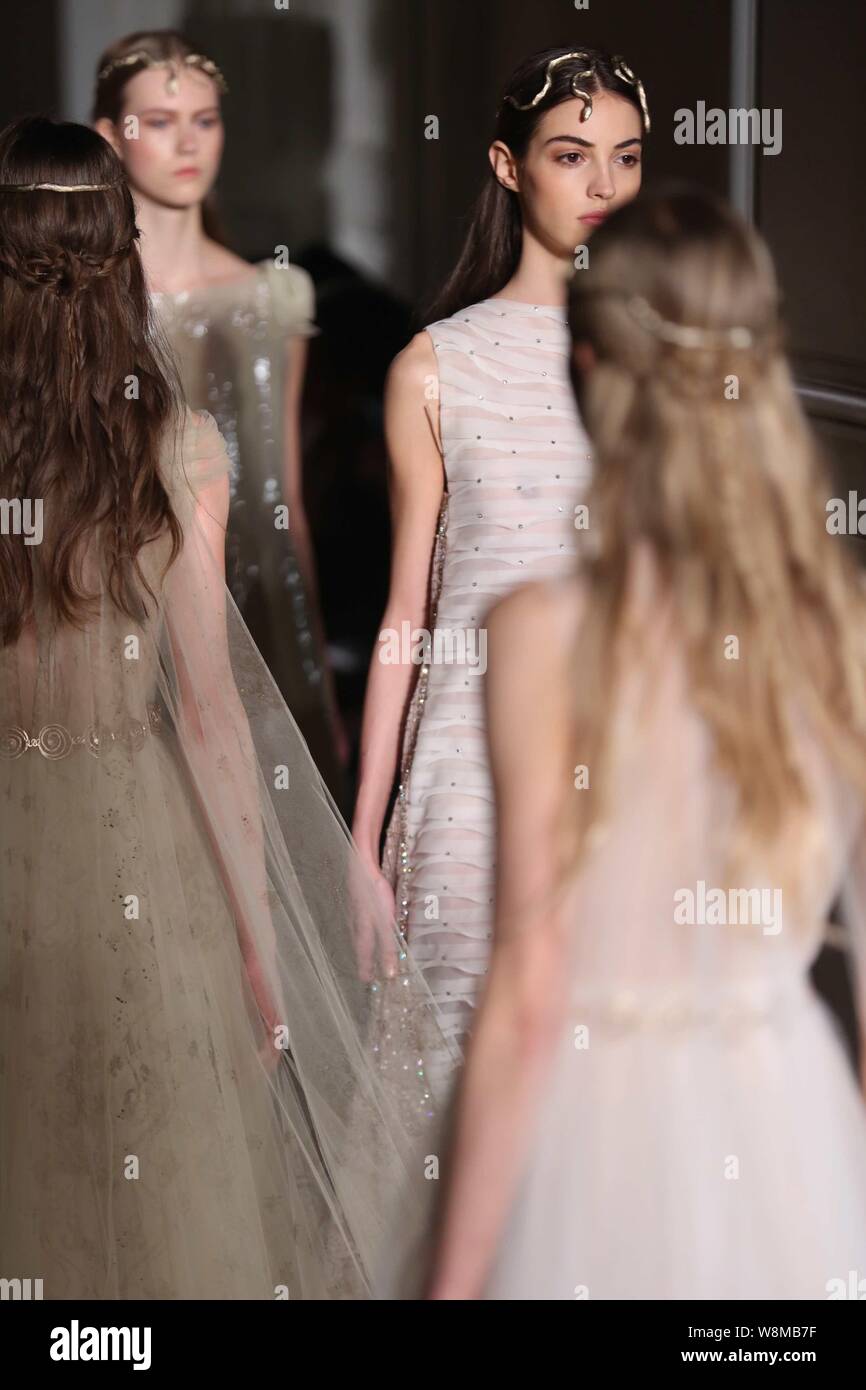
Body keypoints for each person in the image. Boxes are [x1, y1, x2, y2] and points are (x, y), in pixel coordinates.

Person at [0, 115, 454, 1300]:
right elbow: (208, 716)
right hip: (129, 840)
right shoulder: (172, 448)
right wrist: (257, 940)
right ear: (118, 257)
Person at [424, 187, 866, 1300]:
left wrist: (450, 1285)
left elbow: (529, 987)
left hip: (594, 1129)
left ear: (584, 371)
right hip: (791, 1123)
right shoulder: (837, 631)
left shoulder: (538, 634)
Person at [352, 47, 648, 1096]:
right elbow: (405, 616)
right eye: (571, 155)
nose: (602, 185)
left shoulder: (660, 363)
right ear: (508, 165)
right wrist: (362, 833)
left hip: (622, 770)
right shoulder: (434, 366)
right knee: (452, 1098)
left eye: (624, 157)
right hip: (464, 780)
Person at [92, 29, 347, 803]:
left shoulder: (275, 295)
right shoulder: (87, 303)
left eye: (204, 119)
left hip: (265, 606)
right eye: (161, 121)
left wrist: (322, 685)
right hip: (129, 603)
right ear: (111, 136)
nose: (188, 142)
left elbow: (284, 495)